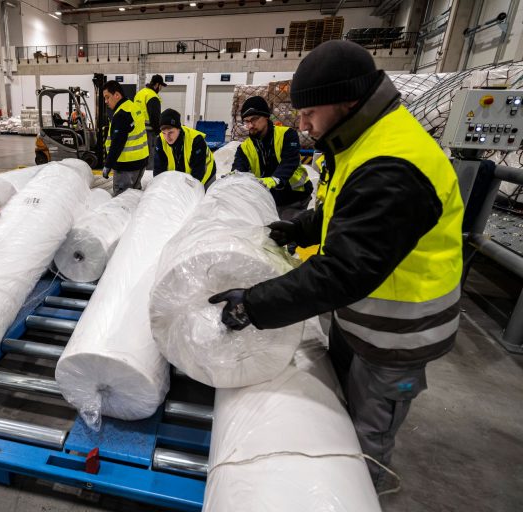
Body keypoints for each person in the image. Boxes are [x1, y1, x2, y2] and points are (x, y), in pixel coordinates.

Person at [208, 40, 464, 489]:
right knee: (338, 409)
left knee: (364, 441)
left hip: (397, 336)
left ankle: (364, 492)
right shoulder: (362, 139)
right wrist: (304, 229)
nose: (303, 125)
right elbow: (344, 210)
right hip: (364, 319)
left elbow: (344, 271)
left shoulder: (393, 164)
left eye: (310, 114)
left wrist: (254, 304)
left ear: (348, 100)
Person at [232, 95, 313, 220]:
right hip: (268, 198)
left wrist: (275, 179)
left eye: (254, 119)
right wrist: (233, 177)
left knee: (287, 232)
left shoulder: (287, 135)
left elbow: (289, 162)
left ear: (266, 116)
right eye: (246, 121)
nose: (250, 125)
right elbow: (239, 168)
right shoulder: (244, 148)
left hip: (294, 196)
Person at [101, 80, 149, 195]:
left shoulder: (121, 115)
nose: (106, 101)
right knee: (134, 197)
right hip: (140, 163)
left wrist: (108, 165)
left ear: (117, 95)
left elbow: (117, 144)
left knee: (121, 201)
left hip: (126, 166)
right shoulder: (134, 107)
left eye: (107, 97)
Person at [154, 108, 215, 189]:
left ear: (179, 129)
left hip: (205, 177)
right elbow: (159, 169)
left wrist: (187, 190)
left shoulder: (196, 140)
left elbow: (198, 173)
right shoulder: (160, 141)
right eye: (164, 133)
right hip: (183, 177)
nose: (167, 137)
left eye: (171, 132)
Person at [133, 74, 166, 170]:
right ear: (157, 85)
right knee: (150, 157)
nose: (160, 89)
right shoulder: (152, 96)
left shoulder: (140, 93)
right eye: (161, 86)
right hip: (149, 132)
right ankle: (149, 179)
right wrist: (159, 133)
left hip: (138, 131)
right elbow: (154, 117)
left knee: (140, 156)